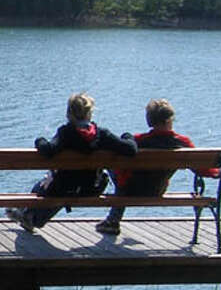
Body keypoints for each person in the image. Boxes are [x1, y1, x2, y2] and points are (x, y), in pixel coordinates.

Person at [8, 92, 137, 232]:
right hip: (91, 189)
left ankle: (28, 215)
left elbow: (48, 150)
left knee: (47, 182)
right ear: (89, 114)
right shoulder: (102, 135)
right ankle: (29, 216)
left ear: (69, 113)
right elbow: (130, 149)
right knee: (59, 183)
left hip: (64, 188)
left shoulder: (66, 133)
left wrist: (39, 140)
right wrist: (127, 136)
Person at [94, 98, 211, 235]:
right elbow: (202, 169)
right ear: (169, 120)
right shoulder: (182, 143)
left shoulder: (137, 141)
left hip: (130, 189)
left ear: (150, 120)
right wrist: (217, 171)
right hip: (156, 190)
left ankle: (113, 221)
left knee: (115, 167)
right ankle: (112, 221)